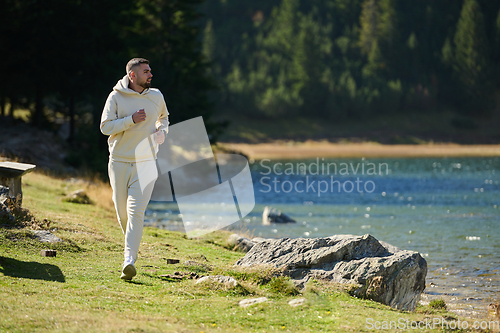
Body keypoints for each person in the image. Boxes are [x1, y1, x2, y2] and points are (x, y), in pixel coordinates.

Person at [100, 58, 169, 280]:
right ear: (133, 76)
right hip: (119, 161)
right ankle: (132, 247)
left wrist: (162, 131)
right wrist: (131, 120)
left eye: (150, 71)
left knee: (135, 212)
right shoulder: (116, 97)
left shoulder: (156, 96)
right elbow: (105, 127)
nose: (150, 75)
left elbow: (164, 118)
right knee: (122, 214)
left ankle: (129, 260)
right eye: (146, 72)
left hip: (147, 163)